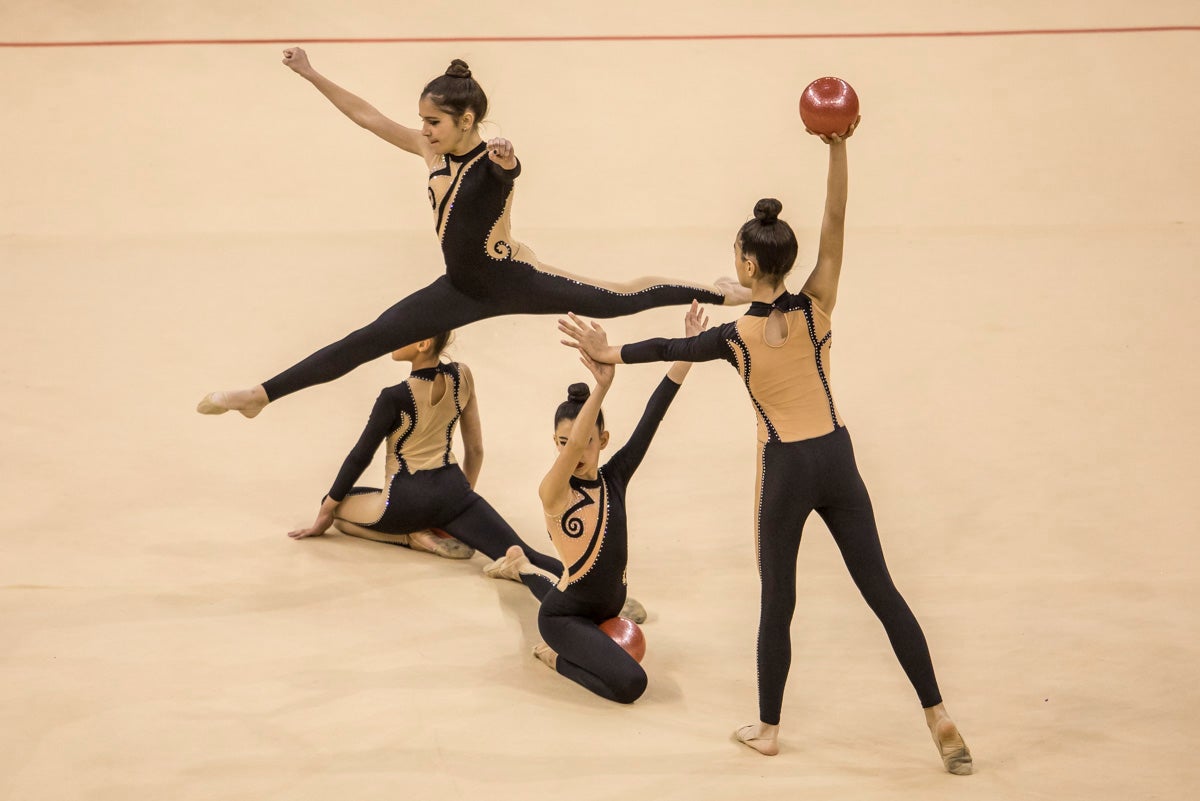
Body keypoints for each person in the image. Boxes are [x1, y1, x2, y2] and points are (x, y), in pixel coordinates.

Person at [557, 123, 973, 773]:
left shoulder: (736, 335)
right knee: (883, 591)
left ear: (749, 263)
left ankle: (771, 727)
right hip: (836, 457)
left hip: (786, 469)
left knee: (778, 598)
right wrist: (838, 147)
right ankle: (939, 714)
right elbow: (836, 218)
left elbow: (668, 348)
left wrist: (608, 352)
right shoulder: (818, 303)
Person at [197, 50, 746, 419]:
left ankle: (728, 292)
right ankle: (260, 396)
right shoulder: (429, 148)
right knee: (366, 340)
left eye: (433, 121)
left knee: (622, 297)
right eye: (422, 120)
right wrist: (312, 74)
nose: (424, 130)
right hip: (458, 290)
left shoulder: (492, 162)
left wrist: (507, 160)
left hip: (515, 280)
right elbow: (367, 116)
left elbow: (508, 173)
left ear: (467, 119)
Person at [501, 303, 705, 703]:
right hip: (566, 617)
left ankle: (520, 564)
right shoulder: (554, 492)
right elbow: (576, 442)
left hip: (605, 606)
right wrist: (602, 385)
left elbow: (654, 414)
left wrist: (689, 349)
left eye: (586, 442)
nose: (573, 452)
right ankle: (554, 657)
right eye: (562, 444)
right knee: (631, 684)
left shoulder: (615, 477)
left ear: (604, 440)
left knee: (557, 575)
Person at [287, 330, 560, 600]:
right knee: (525, 554)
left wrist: (325, 513)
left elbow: (360, 456)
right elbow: (475, 450)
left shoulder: (394, 397)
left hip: (405, 502)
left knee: (336, 512)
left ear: (423, 343)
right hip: (454, 490)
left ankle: (412, 538)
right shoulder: (462, 375)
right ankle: (589, 592)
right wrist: (462, 500)